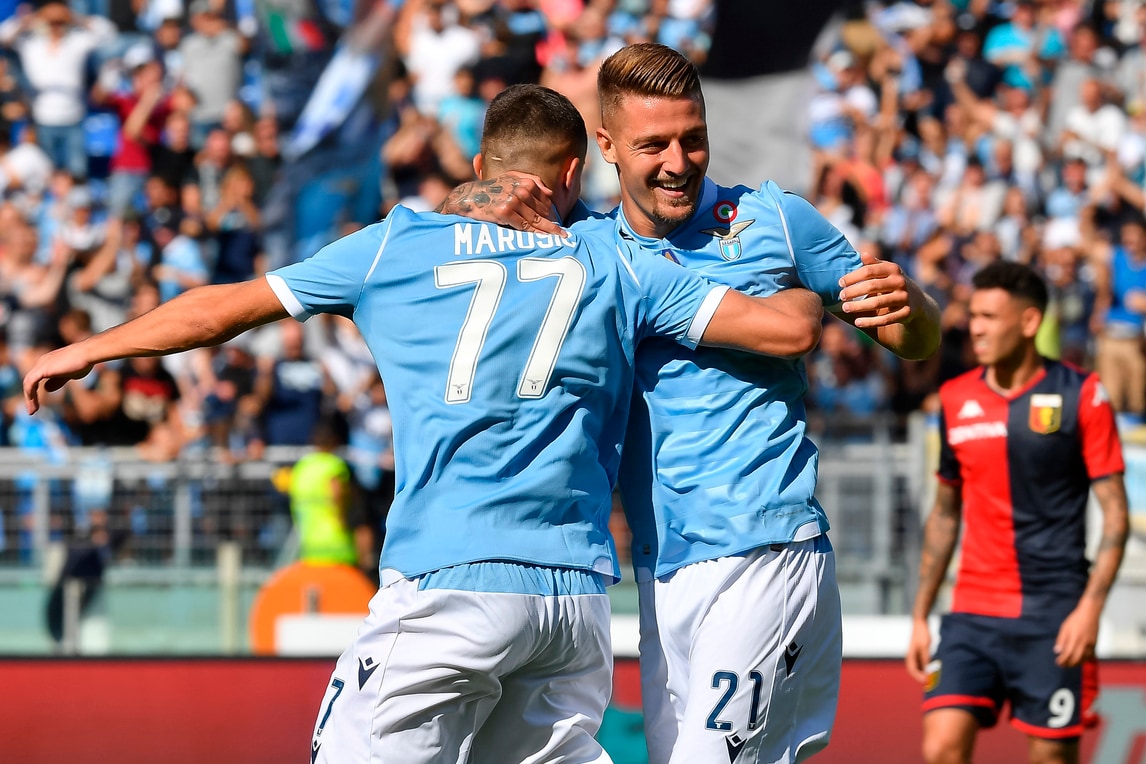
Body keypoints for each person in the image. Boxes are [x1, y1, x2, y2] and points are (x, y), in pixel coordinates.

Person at [24, 84, 828, 764]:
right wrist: (806, 290)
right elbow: (784, 331)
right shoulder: (618, 260)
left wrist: (93, 347)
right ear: (574, 172)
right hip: (576, 606)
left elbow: (225, 309)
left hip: (450, 583)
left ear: (480, 169)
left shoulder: (396, 246)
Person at [438, 43, 942, 764]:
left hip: (765, 546)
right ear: (607, 145)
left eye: (693, 138)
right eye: (654, 145)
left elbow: (911, 338)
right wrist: (465, 199)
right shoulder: (581, 249)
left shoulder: (775, 220)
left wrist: (914, 306)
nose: (678, 162)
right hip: (661, 572)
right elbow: (455, 237)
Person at [904, 262, 1128, 764]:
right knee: (941, 746)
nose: (975, 328)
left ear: (1029, 322)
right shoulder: (955, 398)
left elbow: (1116, 515)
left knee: (1051, 757)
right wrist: (920, 614)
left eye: (989, 317)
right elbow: (945, 514)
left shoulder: (1083, 394)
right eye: (973, 315)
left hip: (1053, 614)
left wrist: (1090, 609)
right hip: (972, 613)